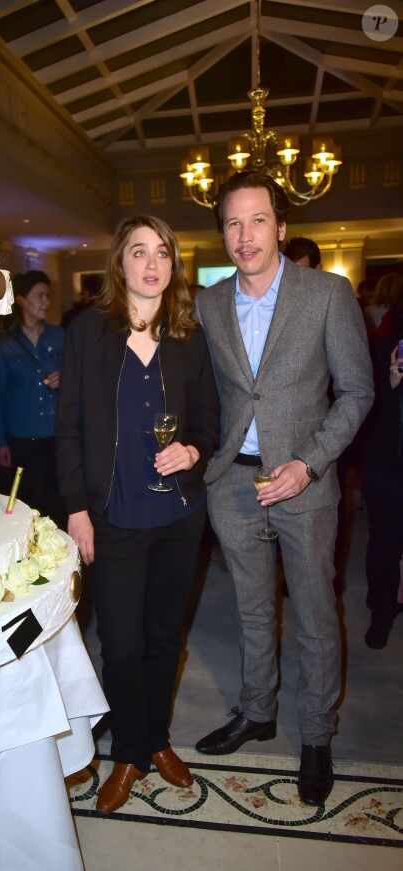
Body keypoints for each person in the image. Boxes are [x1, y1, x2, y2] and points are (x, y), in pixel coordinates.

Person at [194, 171, 373, 806]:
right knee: (250, 610)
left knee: (317, 617)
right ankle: (257, 710)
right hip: (233, 484)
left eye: (257, 221)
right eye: (233, 224)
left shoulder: (327, 293)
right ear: (223, 234)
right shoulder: (208, 304)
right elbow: (207, 391)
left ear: (281, 227)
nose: (245, 237)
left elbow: (357, 391)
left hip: (303, 482)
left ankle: (317, 737)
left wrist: (310, 461)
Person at [55, 215, 220, 814]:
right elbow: (68, 427)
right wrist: (75, 507)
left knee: (163, 640)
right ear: (119, 263)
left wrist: (195, 449)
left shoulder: (189, 335)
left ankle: (155, 741)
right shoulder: (86, 333)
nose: (152, 264)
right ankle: (126, 752)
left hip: (179, 517)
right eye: (138, 252)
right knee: (120, 645)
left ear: (173, 266)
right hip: (115, 518)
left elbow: (209, 418)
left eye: (163, 254)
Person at [0, 271, 66, 524]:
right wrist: (0, 442)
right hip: (20, 435)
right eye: (39, 296)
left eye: (47, 296)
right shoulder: (2, 342)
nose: (46, 302)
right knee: (25, 500)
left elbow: (80, 381)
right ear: (21, 300)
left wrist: (65, 377)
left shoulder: (59, 336)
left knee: (58, 498)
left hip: (57, 434)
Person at [359, 290, 403, 649]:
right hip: (386, 463)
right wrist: (392, 381)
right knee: (384, 544)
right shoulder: (382, 347)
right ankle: (381, 613)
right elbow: (364, 408)